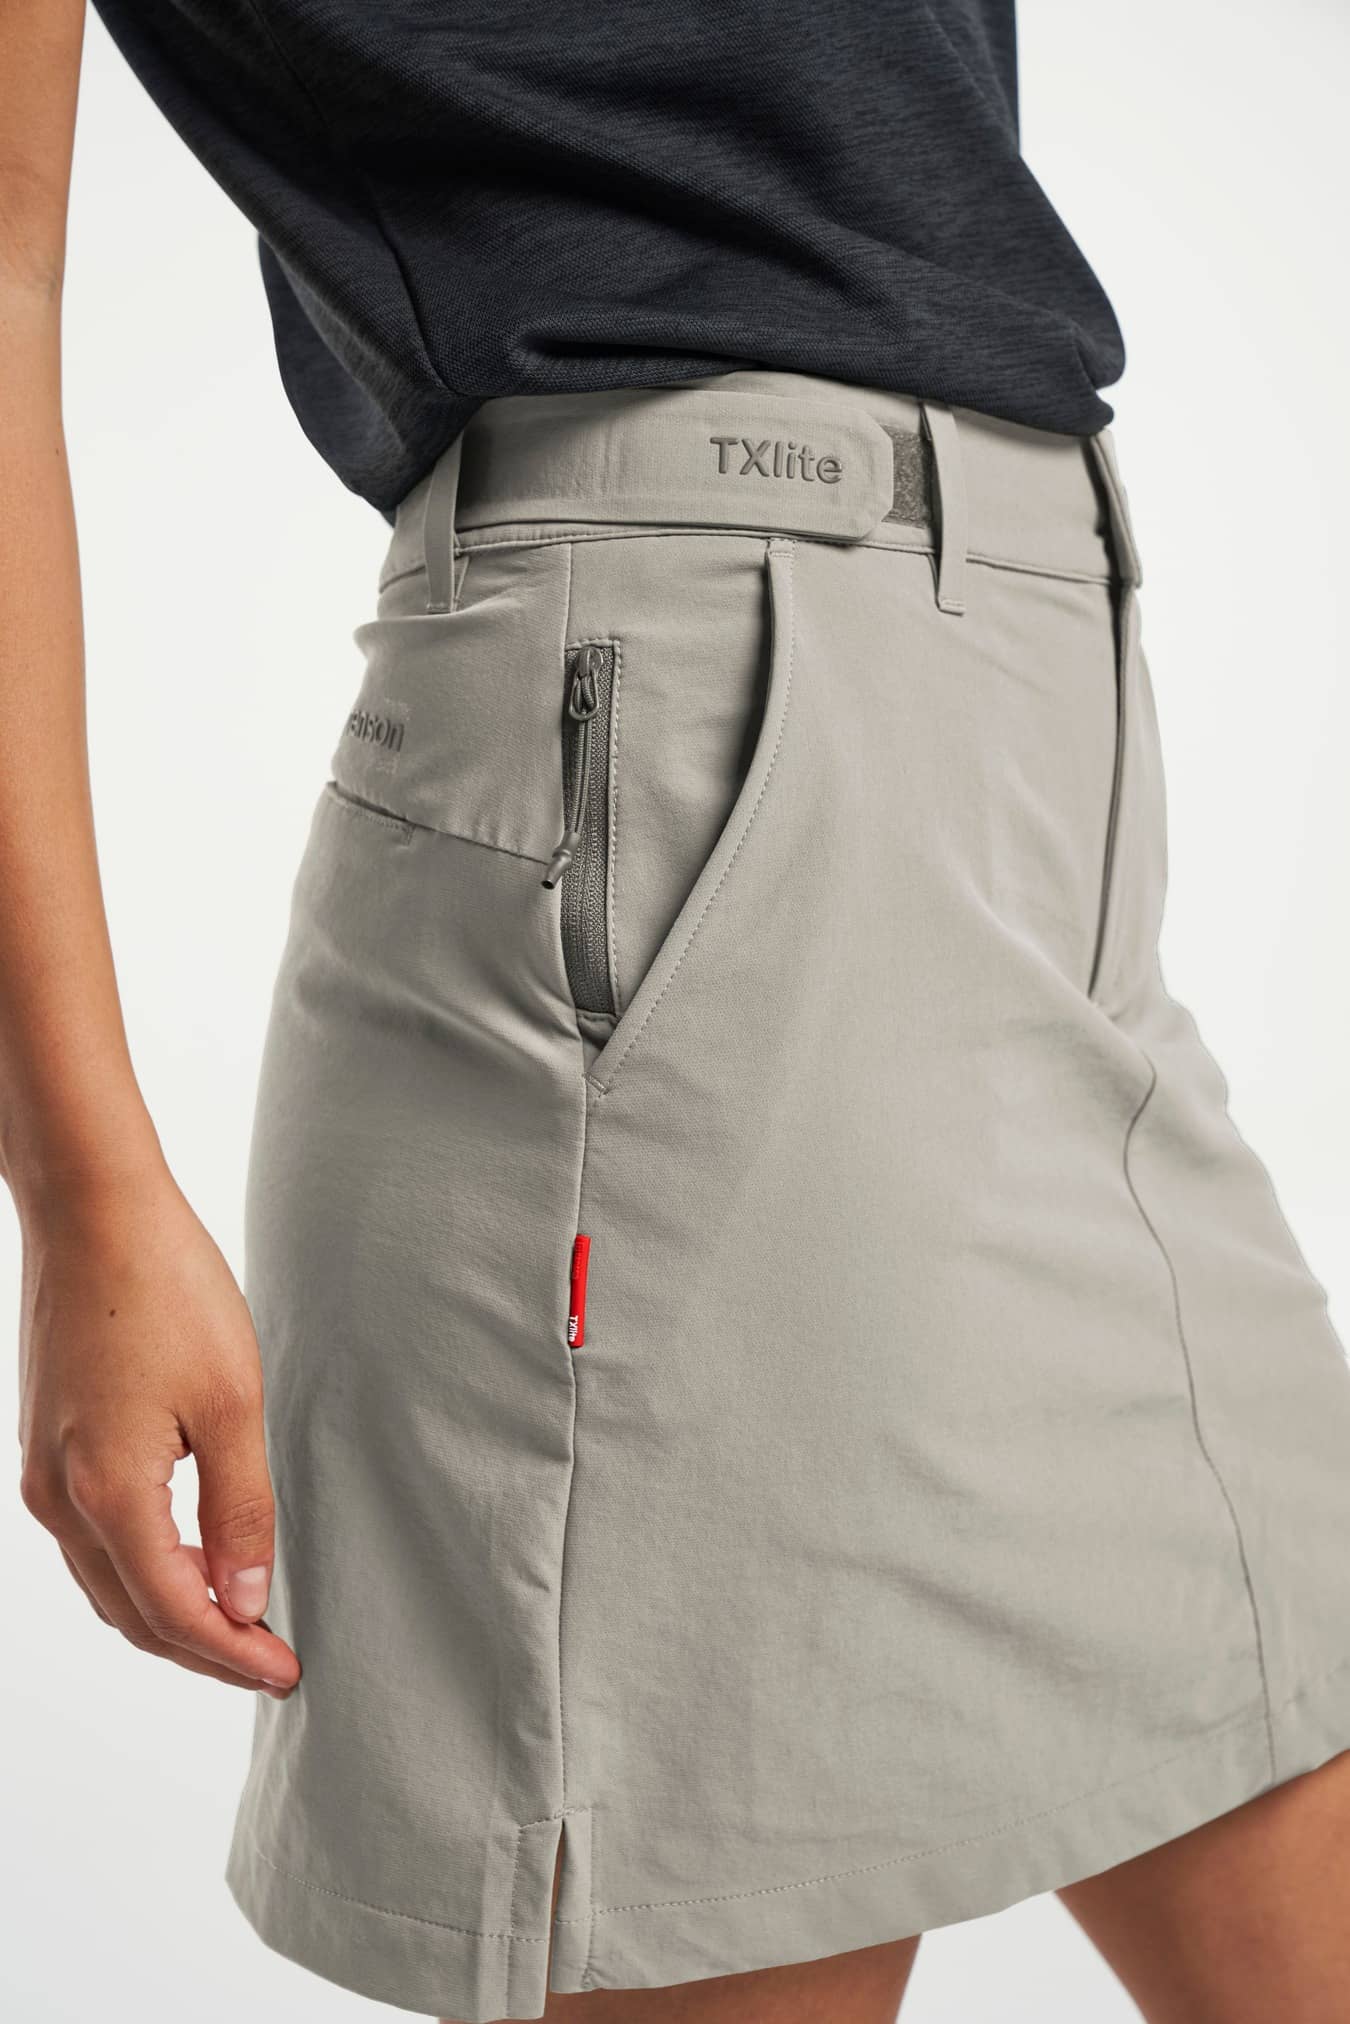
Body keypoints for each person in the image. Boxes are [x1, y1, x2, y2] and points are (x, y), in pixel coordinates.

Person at [4, 4, 1349, 2021]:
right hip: (697, 753)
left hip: (1036, 719)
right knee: (720, 1893)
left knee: (1279, 1720)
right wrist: (85, 1188)